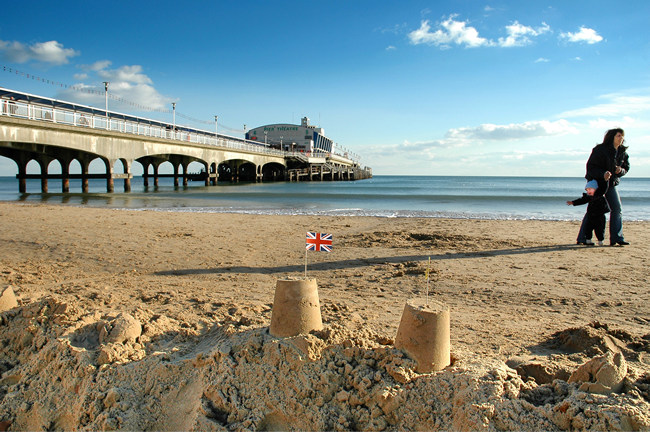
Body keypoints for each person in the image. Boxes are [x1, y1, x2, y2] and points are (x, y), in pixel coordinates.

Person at [576, 128, 630, 246]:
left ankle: (617, 238)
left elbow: (626, 167)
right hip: (596, 183)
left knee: (617, 209)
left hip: (611, 184)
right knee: (592, 211)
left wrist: (620, 170)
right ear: (612, 137)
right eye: (619, 136)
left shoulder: (622, 152)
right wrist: (603, 174)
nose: (621, 138)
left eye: (622, 136)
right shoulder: (600, 150)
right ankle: (583, 238)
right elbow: (590, 167)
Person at [568, 179, 610, 246]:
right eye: (587, 190)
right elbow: (582, 200)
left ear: (596, 189)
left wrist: (606, 180)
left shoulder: (599, 194)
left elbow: (604, 187)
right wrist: (573, 202)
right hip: (591, 215)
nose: (588, 191)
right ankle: (588, 240)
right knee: (588, 228)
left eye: (590, 189)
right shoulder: (588, 197)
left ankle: (600, 240)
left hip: (600, 215)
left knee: (600, 229)